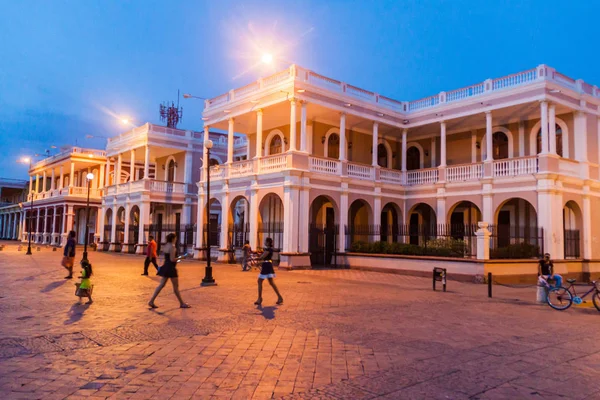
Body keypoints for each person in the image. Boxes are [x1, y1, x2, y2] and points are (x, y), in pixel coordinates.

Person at [148, 233, 190, 309]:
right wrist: (181, 257)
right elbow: (172, 259)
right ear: (173, 238)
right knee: (175, 287)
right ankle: (182, 303)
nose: (176, 239)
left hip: (166, 267)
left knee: (161, 285)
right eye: (176, 238)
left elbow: (167, 258)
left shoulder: (166, 245)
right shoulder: (172, 247)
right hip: (171, 268)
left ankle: (151, 301)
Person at [255, 237, 283, 306]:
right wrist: (259, 262)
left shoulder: (268, 249)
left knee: (260, 281)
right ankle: (279, 297)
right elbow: (265, 259)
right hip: (267, 265)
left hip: (267, 266)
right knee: (271, 282)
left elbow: (262, 257)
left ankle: (260, 298)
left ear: (268, 242)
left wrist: (254, 258)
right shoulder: (269, 249)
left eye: (265, 241)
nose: (264, 242)